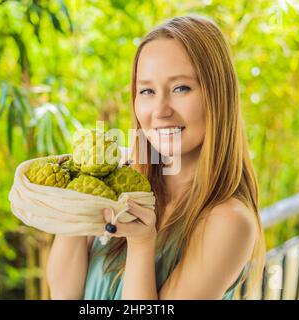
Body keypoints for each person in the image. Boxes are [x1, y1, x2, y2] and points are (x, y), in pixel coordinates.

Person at [47, 15, 266, 300]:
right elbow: (64, 294)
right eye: (147, 91)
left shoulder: (229, 221)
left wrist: (141, 243)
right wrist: (80, 193)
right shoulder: (122, 179)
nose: (160, 110)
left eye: (180, 88)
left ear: (217, 95)